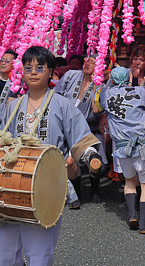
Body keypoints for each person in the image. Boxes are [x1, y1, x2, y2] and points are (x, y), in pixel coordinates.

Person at [0, 45, 101, 266]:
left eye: (39, 68)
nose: (33, 72)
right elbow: (1, 141)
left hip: (47, 187)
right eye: (28, 67)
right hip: (12, 185)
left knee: (38, 253)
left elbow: (81, 138)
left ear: (51, 71)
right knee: (2, 252)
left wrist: (90, 157)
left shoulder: (63, 105)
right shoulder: (13, 106)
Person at [96, 66, 145, 232]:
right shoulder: (140, 91)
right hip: (142, 145)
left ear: (113, 79)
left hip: (122, 148)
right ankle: (143, 224)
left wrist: (110, 80)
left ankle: (132, 215)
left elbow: (102, 96)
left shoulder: (107, 94)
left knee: (129, 181)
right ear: (128, 78)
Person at [55, 52, 105, 204]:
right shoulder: (71, 75)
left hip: (89, 127)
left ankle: (94, 191)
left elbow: (99, 109)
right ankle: (76, 194)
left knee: (95, 160)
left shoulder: (101, 84)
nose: (87, 64)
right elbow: (56, 94)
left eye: (92, 62)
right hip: (66, 125)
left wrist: (97, 86)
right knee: (69, 162)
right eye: (86, 61)